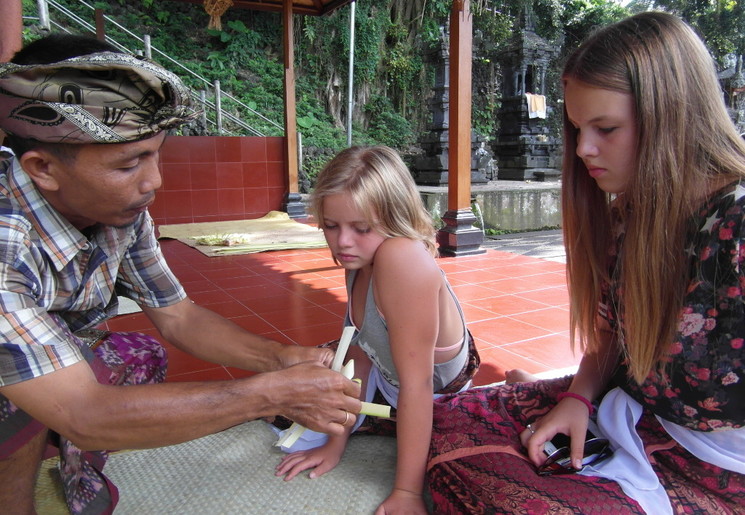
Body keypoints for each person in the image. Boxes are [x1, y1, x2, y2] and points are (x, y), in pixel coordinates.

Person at [0, 34, 361, 515]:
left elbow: (179, 318)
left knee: (140, 354)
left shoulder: (121, 214)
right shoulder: (6, 239)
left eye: (156, 154)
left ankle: (74, 475)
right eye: (130, 163)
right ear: (42, 167)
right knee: (21, 399)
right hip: (24, 381)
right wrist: (267, 395)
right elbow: (80, 411)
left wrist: (281, 359)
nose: (154, 182)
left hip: (56, 359)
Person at [426, 11, 745, 514]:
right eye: (577, 129)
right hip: (633, 414)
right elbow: (610, 339)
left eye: (606, 128)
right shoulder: (630, 214)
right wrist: (578, 397)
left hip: (717, 466)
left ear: (674, 115)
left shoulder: (736, 224)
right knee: (437, 421)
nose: (584, 150)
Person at [273, 146, 480, 514]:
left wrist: (407, 492)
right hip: (387, 378)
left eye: (361, 228)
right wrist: (337, 442)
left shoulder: (400, 258)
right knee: (283, 387)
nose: (342, 242)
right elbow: (357, 354)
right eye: (331, 226)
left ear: (394, 218)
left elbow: (417, 385)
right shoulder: (360, 256)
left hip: (431, 392)